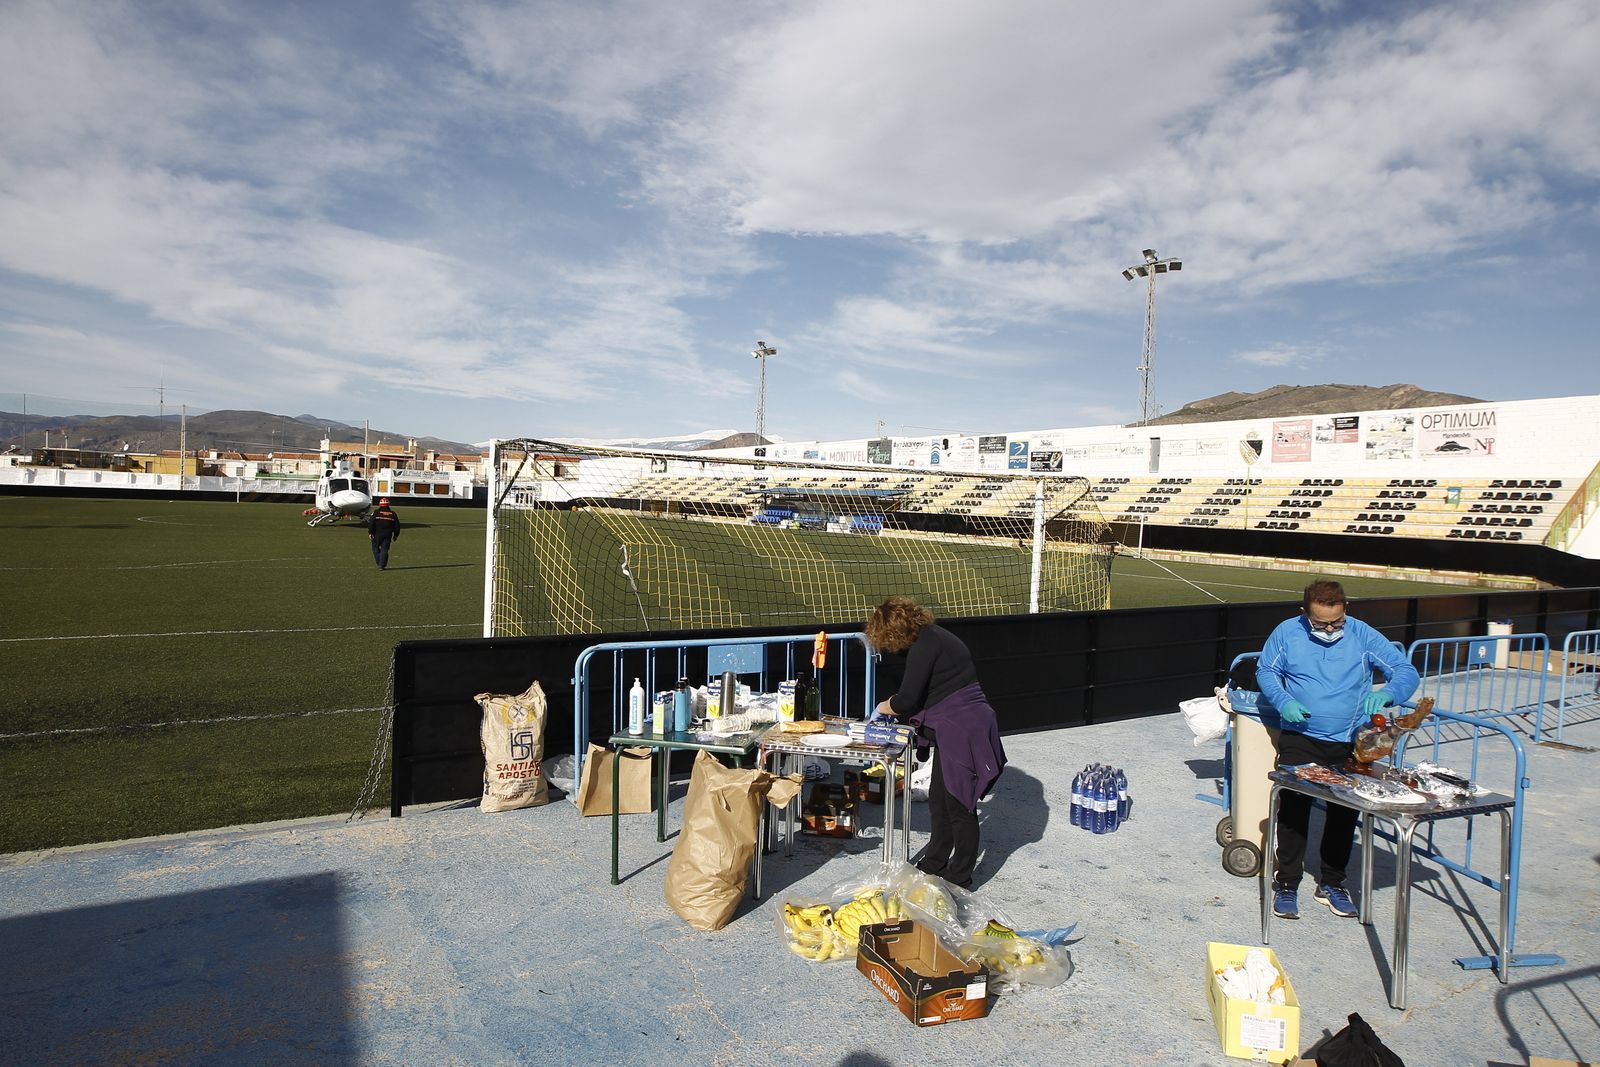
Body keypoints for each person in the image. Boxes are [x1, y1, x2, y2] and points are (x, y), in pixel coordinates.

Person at [1257, 579, 1419, 920]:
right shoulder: (1286, 633)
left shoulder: (1362, 635)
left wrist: (1389, 693)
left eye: (1336, 622)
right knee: (1293, 811)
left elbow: (1405, 670)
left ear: (1346, 611)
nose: (1330, 629)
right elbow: (1266, 671)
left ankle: (1332, 882)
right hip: (1301, 736)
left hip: (1349, 740)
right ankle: (1286, 883)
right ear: (1304, 613)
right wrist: (1283, 700)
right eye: (1321, 623)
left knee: (1345, 813)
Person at [866, 596, 1006, 888]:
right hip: (955, 726)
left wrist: (881, 708)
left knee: (959, 804)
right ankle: (933, 863)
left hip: (964, 728)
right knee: (939, 801)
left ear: (894, 630)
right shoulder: (931, 637)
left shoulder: (926, 645)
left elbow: (906, 699)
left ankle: (959, 876)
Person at [368, 497, 401, 570]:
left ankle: (380, 562)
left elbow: (371, 523)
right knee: (384, 549)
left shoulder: (376, 512)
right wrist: (396, 535)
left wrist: (370, 532)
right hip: (387, 535)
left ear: (380, 505)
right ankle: (382, 565)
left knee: (375, 548)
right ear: (388, 505)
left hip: (377, 534)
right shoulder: (393, 514)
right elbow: (397, 526)